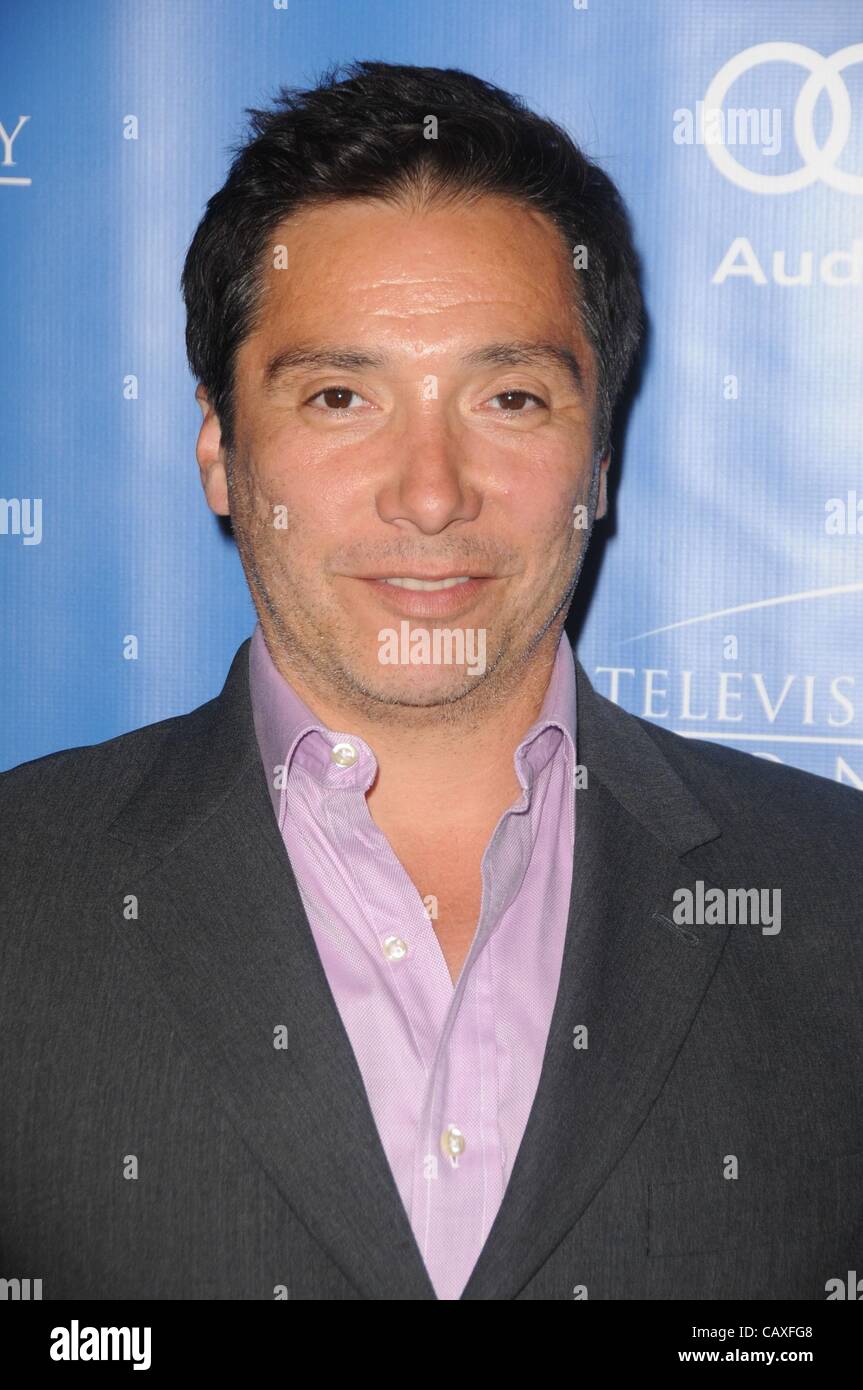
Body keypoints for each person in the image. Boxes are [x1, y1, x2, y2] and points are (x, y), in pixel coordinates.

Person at [1, 61, 860, 1302]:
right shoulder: (21, 892)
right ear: (220, 456)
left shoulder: (833, 900)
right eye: (340, 396)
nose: (429, 491)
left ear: (597, 462)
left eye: (509, 397)